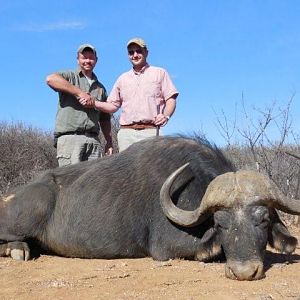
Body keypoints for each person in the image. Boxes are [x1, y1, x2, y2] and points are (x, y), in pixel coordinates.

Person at [82, 37, 178, 152]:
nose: (135, 55)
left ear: (146, 53)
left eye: (139, 51)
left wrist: (166, 115)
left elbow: (171, 99)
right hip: (126, 134)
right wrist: (94, 102)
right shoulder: (122, 79)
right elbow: (112, 106)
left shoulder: (160, 73)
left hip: (151, 131)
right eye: (131, 52)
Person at [46, 44, 113, 167]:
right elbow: (50, 79)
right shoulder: (69, 76)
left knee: (94, 183)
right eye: (84, 57)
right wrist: (79, 93)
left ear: (96, 60)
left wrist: (109, 142)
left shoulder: (101, 88)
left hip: (94, 141)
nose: (87, 61)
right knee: (69, 182)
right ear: (78, 59)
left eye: (91, 58)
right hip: (70, 139)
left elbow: (105, 119)